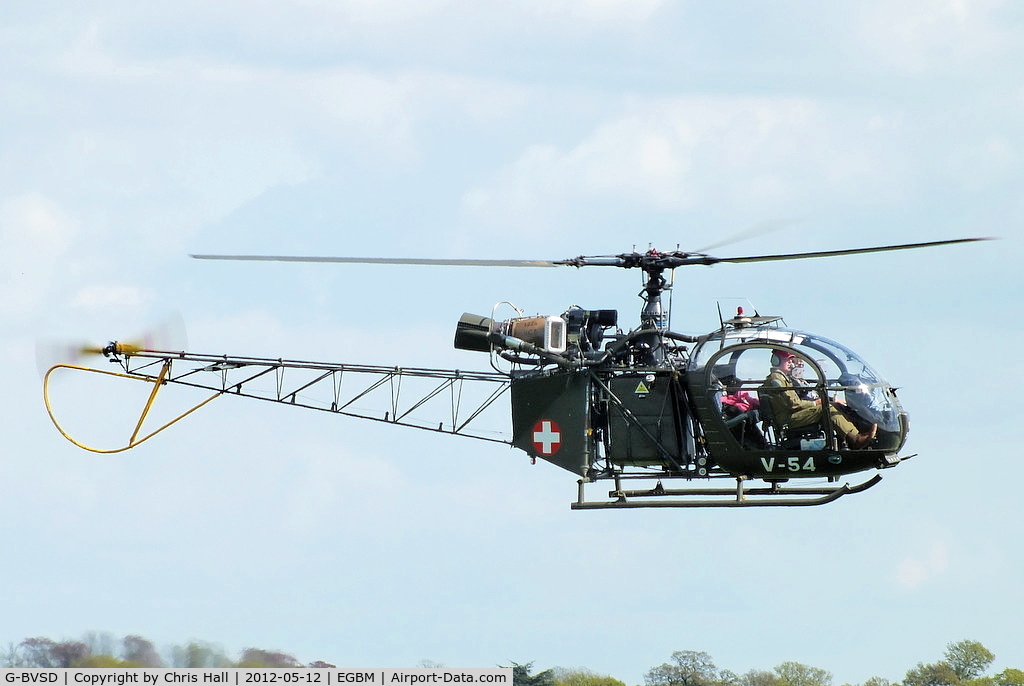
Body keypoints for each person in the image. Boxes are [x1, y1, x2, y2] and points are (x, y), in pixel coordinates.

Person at [760, 349, 877, 449]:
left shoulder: (783, 378)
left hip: (790, 416)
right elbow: (793, 404)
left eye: (791, 361)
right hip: (788, 420)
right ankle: (855, 440)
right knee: (827, 409)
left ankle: (855, 435)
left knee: (833, 406)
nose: (791, 364)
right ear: (776, 360)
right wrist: (815, 404)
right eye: (788, 361)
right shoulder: (777, 379)